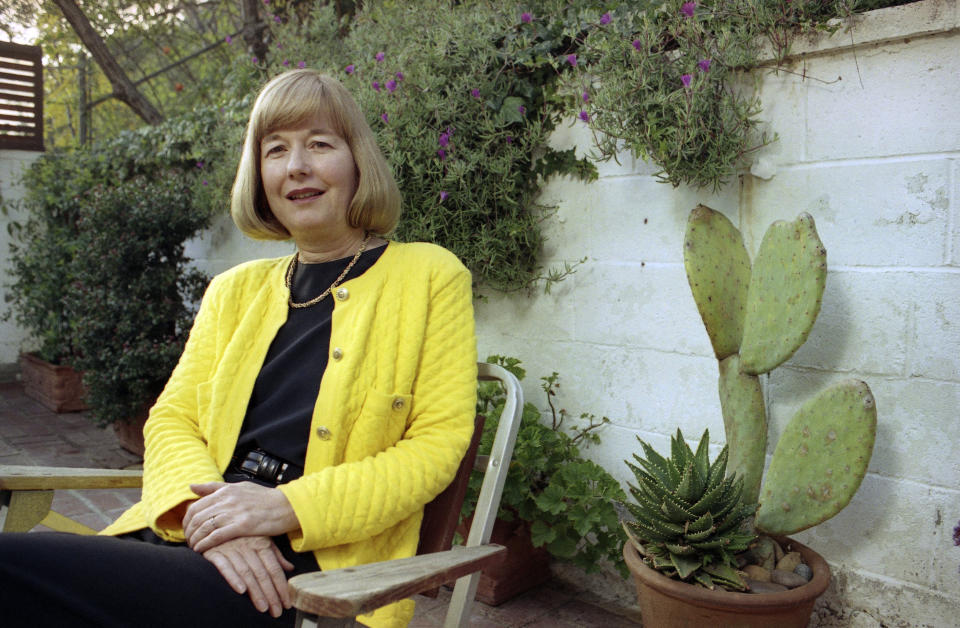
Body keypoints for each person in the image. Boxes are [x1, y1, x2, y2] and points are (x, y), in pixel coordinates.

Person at [0, 69, 477, 628]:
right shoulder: (233, 291)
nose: (296, 165)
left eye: (319, 144)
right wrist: (216, 524)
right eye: (276, 149)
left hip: (297, 574)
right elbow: (172, 419)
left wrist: (281, 508)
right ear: (260, 175)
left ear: (357, 163)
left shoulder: (428, 275)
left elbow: (436, 445)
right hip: (198, 537)